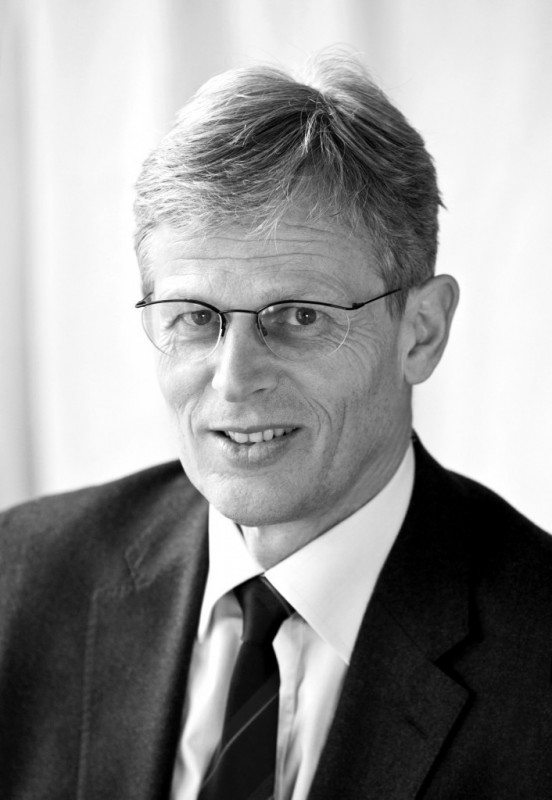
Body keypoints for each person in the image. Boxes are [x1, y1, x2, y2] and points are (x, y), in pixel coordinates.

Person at [1, 50, 552, 800]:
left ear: (421, 332)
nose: (234, 379)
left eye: (298, 316)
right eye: (196, 318)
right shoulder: (20, 582)